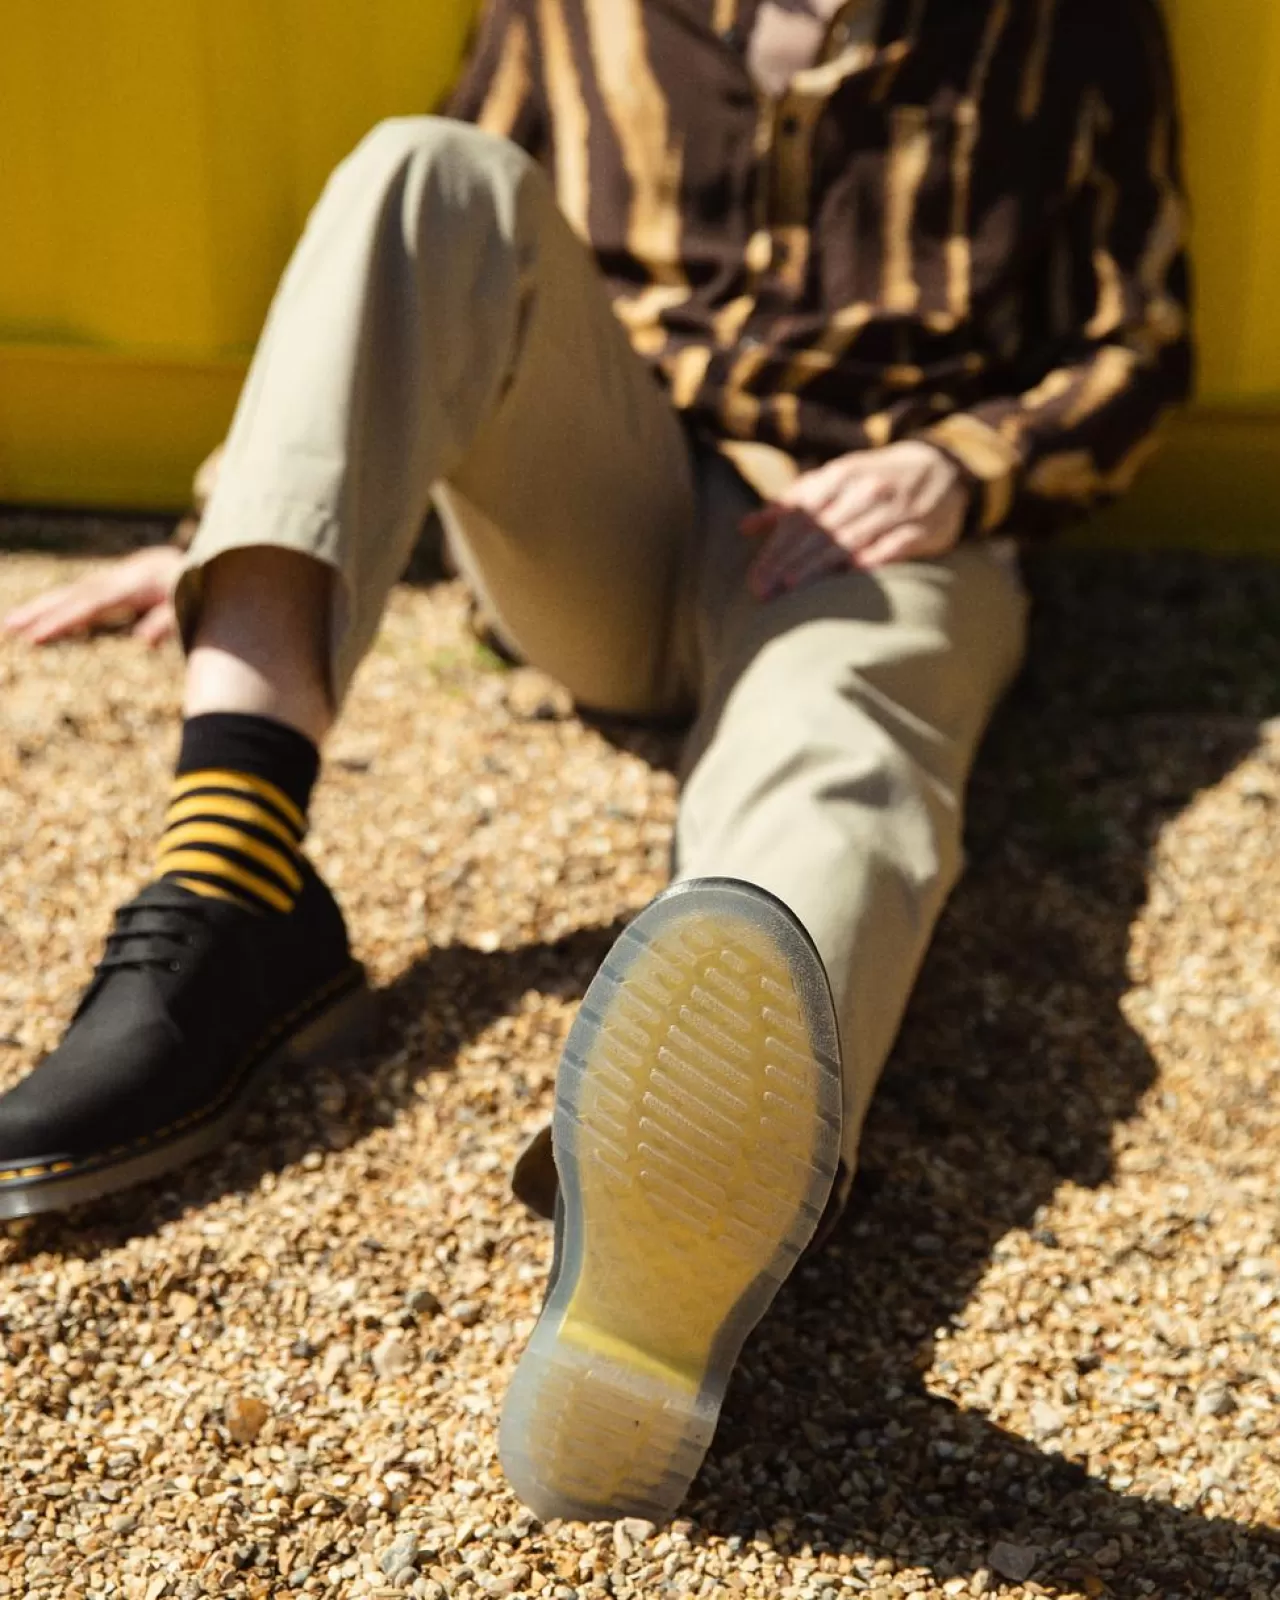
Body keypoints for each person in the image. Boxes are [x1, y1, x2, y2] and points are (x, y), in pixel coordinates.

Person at [0, 0, 1190, 1523]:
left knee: (837, 761)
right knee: (423, 172)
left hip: (866, 523)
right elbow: (408, 295)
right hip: (602, 513)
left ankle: (689, 1206)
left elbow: (1140, 338)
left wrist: (963, 468)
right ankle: (229, 883)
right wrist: (235, 518)